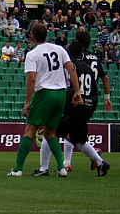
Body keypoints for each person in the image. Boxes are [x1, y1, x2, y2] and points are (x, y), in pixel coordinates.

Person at [8, 23, 82, 177]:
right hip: (61, 94)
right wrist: (77, 92)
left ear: (32, 36)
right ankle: (61, 168)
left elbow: (32, 78)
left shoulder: (32, 54)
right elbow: (71, 68)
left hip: (44, 93)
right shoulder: (60, 49)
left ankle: (18, 169)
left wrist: (28, 102)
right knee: (50, 132)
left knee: (30, 130)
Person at [35, 42, 110, 177]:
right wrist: (90, 106)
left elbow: (68, 88)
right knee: (78, 138)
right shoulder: (87, 67)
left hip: (74, 105)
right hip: (87, 106)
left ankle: (43, 168)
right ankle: (100, 162)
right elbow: (95, 90)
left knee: (49, 132)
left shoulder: (70, 67)